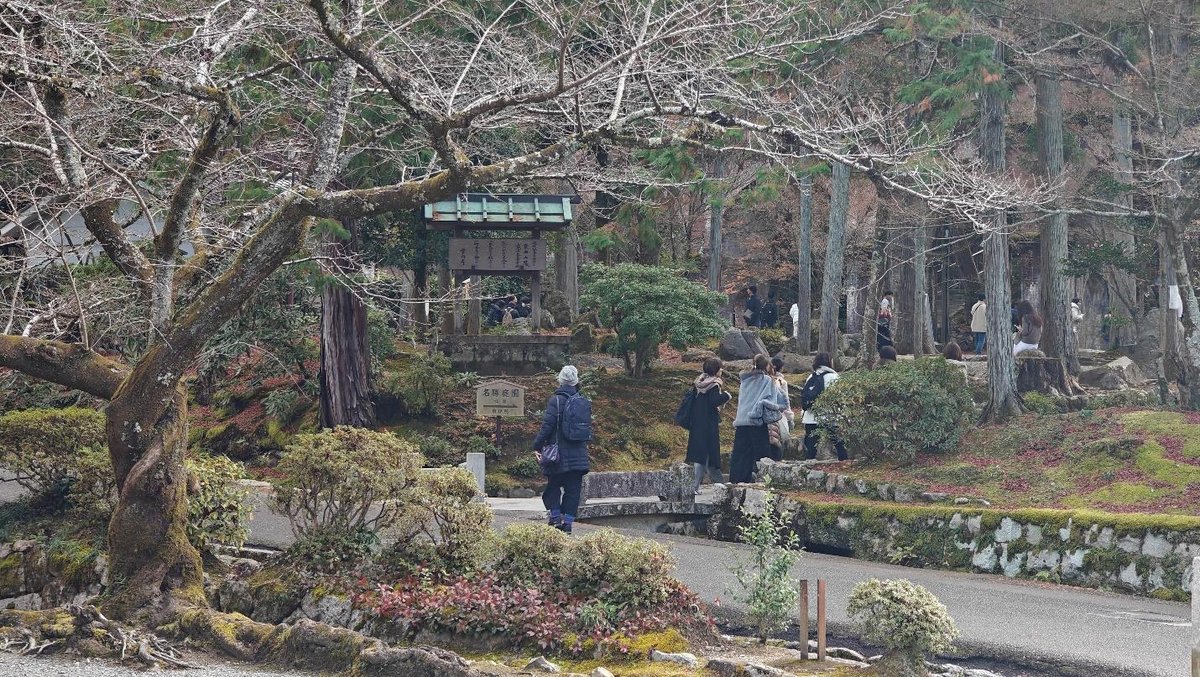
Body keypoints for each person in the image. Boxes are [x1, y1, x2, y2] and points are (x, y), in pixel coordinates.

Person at [532, 366, 591, 534]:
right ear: (576, 381)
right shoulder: (582, 401)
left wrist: (536, 445)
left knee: (552, 488)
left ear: (560, 380)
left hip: (556, 455)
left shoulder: (556, 401)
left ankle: (556, 518)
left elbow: (547, 427)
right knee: (573, 491)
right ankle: (568, 524)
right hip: (579, 456)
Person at [729, 354, 788, 483]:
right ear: (767, 366)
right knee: (762, 452)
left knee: (740, 452)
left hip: (742, 420)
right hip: (757, 420)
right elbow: (774, 399)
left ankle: (737, 479)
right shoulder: (767, 380)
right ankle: (765, 479)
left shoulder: (745, 381)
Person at [684, 358, 732, 495]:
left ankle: (698, 486)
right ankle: (705, 486)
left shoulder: (699, 382)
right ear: (716, 370)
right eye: (720, 368)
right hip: (708, 425)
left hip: (697, 423)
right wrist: (727, 396)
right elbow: (714, 401)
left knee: (701, 456)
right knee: (709, 456)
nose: (722, 370)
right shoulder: (714, 384)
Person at [801, 352, 847, 461]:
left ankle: (807, 467)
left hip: (811, 417)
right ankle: (844, 463)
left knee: (811, 447)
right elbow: (840, 398)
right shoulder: (834, 377)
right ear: (830, 362)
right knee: (839, 444)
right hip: (830, 416)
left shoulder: (811, 377)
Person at [767, 356, 795, 451]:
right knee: (780, 440)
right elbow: (785, 401)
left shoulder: (766, 379)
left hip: (766, 415)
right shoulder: (782, 382)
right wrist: (790, 417)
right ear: (781, 368)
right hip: (779, 415)